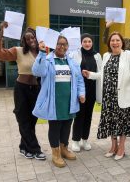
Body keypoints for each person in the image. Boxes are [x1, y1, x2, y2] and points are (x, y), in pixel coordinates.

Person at [83, 32, 130, 161]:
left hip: (123, 95)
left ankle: (121, 147)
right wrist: (90, 74)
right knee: (111, 123)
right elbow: (102, 74)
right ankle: (113, 146)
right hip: (108, 96)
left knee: (122, 123)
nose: (115, 43)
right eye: (112, 40)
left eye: (117, 40)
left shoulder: (129, 55)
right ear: (109, 43)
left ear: (122, 42)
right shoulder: (106, 55)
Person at [0, 21, 45, 160]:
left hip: (36, 89)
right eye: (28, 39)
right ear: (24, 41)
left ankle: (24, 147)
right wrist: (1, 34)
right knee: (23, 119)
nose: (31, 40)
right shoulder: (18, 51)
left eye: (33, 37)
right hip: (21, 89)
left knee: (32, 119)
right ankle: (35, 149)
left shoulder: (43, 52)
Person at [32, 36, 85, 168]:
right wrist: (42, 53)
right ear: (54, 45)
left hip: (70, 101)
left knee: (67, 125)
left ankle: (64, 149)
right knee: (55, 127)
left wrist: (81, 93)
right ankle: (55, 153)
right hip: (54, 101)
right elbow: (37, 72)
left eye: (65, 44)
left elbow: (79, 80)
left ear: (68, 46)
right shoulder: (47, 59)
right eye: (59, 44)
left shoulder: (72, 61)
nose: (62, 47)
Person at [69, 33, 102, 152]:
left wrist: (90, 75)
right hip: (80, 91)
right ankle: (75, 140)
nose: (87, 44)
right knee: (79, 116)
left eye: (89, 41)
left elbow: (101, 74)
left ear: (92, 43)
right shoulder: (74, 54)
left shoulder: (97, 55)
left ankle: (85, 139)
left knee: (88, 116)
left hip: (92, 90)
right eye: (85, 41)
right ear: (81, 43)